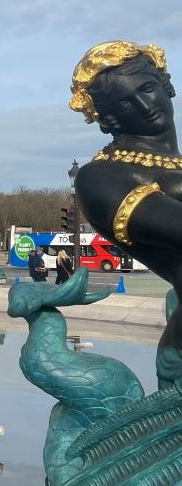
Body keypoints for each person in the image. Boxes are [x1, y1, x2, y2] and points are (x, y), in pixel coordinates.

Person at [71, 41, 182, 387]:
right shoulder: (100, 178)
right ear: (109, 119)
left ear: (166, 86)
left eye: (148, 88)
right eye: (125, 102)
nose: (145, 105)